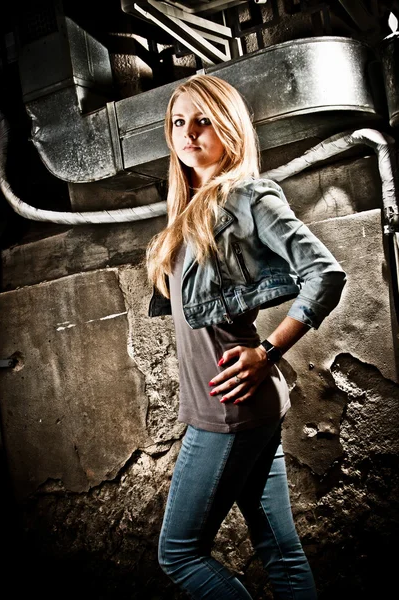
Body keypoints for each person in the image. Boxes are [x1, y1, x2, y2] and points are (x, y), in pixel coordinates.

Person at [146, 73, 346, 599]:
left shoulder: (248, 197)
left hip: (228, 408)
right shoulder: (192, 209)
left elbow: (325, 273)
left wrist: (268, 350)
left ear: (229, 128)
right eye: (178, 122)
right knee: (280, 551)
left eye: (204, 121)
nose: (188, 133)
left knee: (179, 554)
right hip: (240, 407)